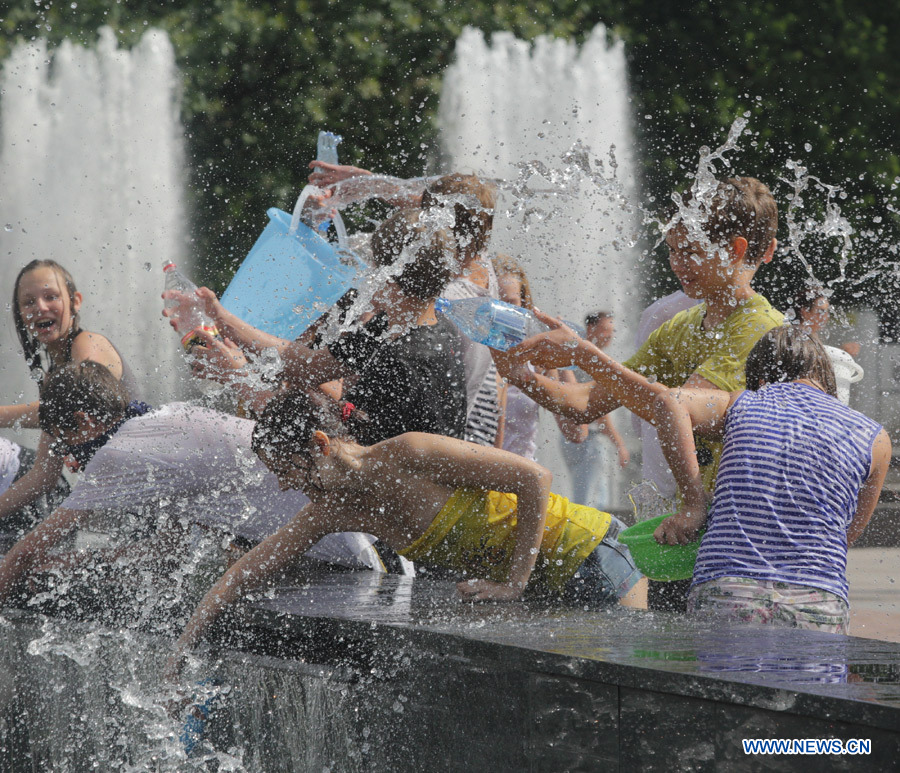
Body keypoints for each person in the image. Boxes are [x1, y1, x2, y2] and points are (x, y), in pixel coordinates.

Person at [169, 387, 648, 673]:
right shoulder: (333, 511)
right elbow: (246, 571)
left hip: (595, 554)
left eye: (285, 469)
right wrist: (183, 648)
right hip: (550, 583)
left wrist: (514, 583)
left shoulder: (408, 453)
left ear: (319, 443)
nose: (284, 484)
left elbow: (534, 478)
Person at [495, 176, 784, 610]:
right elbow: (589, 402)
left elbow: (673, 407)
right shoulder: (683, 326)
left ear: (737, 250)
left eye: (690, 250)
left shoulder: (759, 327)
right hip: (687, 530)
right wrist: (520, 372)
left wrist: (582, 351)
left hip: (741, 538)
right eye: (671, 249)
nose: (676, 262)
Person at [0, 362, 382, 613]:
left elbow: (23, 552)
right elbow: (168, 553)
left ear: (84, 422)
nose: (68, 455)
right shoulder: (164, 418)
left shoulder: (116, 455)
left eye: (65, 439)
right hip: (365, 544)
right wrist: (66, 563)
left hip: (342, 562)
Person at [651, 327, 890, 634]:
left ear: (760, 373)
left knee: (724, 684)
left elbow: (670, 401)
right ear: (825, 373)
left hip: (730, 589)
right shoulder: (874, 437)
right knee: (810, 684)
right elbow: (846, 534)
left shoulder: (744, 403)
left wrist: (694, 505)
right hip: (817, 600)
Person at [167, 208, 467, 445]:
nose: (368, 275)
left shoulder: (406, 357)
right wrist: (222, 318)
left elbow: (341, 448)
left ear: (392, 274)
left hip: (393, 503)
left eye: (374, 265)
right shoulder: (397, 326)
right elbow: (309, 366)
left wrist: (240, 379)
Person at [0, 260, 138, 533]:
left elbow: (76, 402)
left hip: (159, 494)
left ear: (75, 301)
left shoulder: (88, 344)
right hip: (129, 506)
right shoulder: (55, 379)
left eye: (51, 296)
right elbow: (42, 476)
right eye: (28, 302)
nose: (40, 307)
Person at [557, 311, 630, 509]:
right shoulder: (589, 360)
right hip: (588, 440)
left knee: (587, 495)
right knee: (592, 501)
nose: (610, 336)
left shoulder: (575, 355)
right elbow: (599, 412)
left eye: (612, 331)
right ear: (591, 328)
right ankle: (589, 538)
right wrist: (619, 444)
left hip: (570, 438)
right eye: (605, 330)